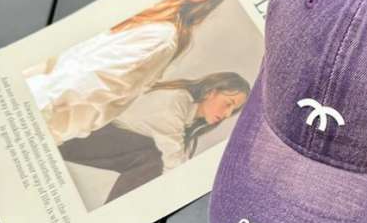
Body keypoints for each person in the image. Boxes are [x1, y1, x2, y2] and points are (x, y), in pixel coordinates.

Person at [26, 0, 228, 145]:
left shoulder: (159, 37)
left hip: (33, 117)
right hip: (29, 88)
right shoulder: (140, 9)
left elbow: (84, 84)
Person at [58, 72, 250, 204]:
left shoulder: (190, 120)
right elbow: (173, 161)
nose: (227, 114)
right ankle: (117, 215)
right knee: (157, 158)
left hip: (104, 141)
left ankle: (119, 212)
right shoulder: (177, 100)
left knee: (155, 158)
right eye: (228, 103)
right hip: (85, 138)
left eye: (234, 110)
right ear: (211, 92)